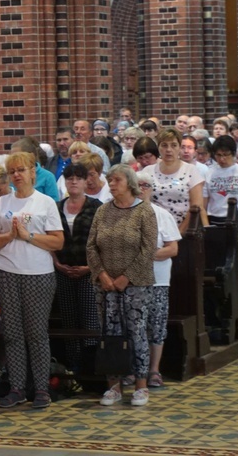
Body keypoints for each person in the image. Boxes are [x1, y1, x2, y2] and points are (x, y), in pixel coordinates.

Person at [0, 152, 64, 409]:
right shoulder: (1, 203)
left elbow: (57, 241)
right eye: (12, 171)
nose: (17, 175)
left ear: (32, 172)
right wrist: (10, 235)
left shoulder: (45, 203)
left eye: (21, 170)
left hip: (38, 274)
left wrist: (27, 236)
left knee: (37, 333)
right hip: (6, 272)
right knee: (13, 333)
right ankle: (17, 387)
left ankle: (41, 389)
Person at [87, 164, 157, 407]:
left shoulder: (144, 212)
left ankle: (141, 385)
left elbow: (148, 249)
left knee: (136, 332)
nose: (112, 183)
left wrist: (126, 277)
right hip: (106, 285)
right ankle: (113, 386)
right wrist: (102, 275)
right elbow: (91, 247)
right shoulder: (103, 211)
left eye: (116, 179)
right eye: (110, 180)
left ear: (129, 182)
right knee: (110, 333)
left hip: (136, 283)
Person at [51, 163, 102, 376]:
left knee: (90, 321)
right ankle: (73, 368)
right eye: (70, 177)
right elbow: (51, 237)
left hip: (89, 271)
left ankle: (91, 369)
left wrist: (89, 267)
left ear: (85, 182)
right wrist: (56, 263)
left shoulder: (97, 207)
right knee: (69, 321)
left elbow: (103, 241)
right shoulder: (55, 206)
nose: (74, 181)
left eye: (78, 178)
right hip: (62, 270)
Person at [135, 172, 181, 389]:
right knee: (134, 326)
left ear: (151, 190)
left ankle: (154, 370)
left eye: (146, 185)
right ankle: (134, 370)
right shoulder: (123, 213)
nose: (142, 188)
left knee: (156, 325)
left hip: (158, 280)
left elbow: (172, 248)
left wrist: (147, 254)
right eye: (138, 185)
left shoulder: (162, 215)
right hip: (131, 280)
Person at [203, 136, 238, 299]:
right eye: (218, 155)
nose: (222, 159)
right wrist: (207, 226)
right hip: (215, 223)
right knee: (216, 269)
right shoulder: (210, 172)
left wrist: (237, 220)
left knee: (235, 269)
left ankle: (237, 306)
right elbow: (204, 204)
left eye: (226, 155)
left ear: (233, 154)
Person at [143, 128, 207, 233]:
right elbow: (143, 203)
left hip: (184, 231)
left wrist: (178, 234)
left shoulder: (191, 170)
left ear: (179, 147)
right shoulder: (148, 171)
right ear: (158, 148)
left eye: (173, 145)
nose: (168, 149)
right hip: (154, 231)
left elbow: (196, 206)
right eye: (164, 145)